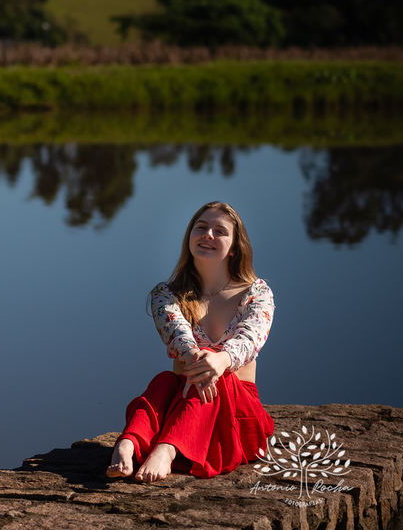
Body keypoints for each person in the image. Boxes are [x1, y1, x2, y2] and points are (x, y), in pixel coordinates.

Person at [106, 201, 276, 482]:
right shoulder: (166, 295)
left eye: (219, 231)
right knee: (164, 381)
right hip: (181, 404)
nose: (208, 234)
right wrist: (201, 360)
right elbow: (177, 334)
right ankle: (128, 444)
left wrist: (221, 360)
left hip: (235, 415)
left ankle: (167, 449)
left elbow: (251, 338)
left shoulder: (257, 293)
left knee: (213, 366)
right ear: (189, 237)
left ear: (234, 247)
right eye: (201, 227)